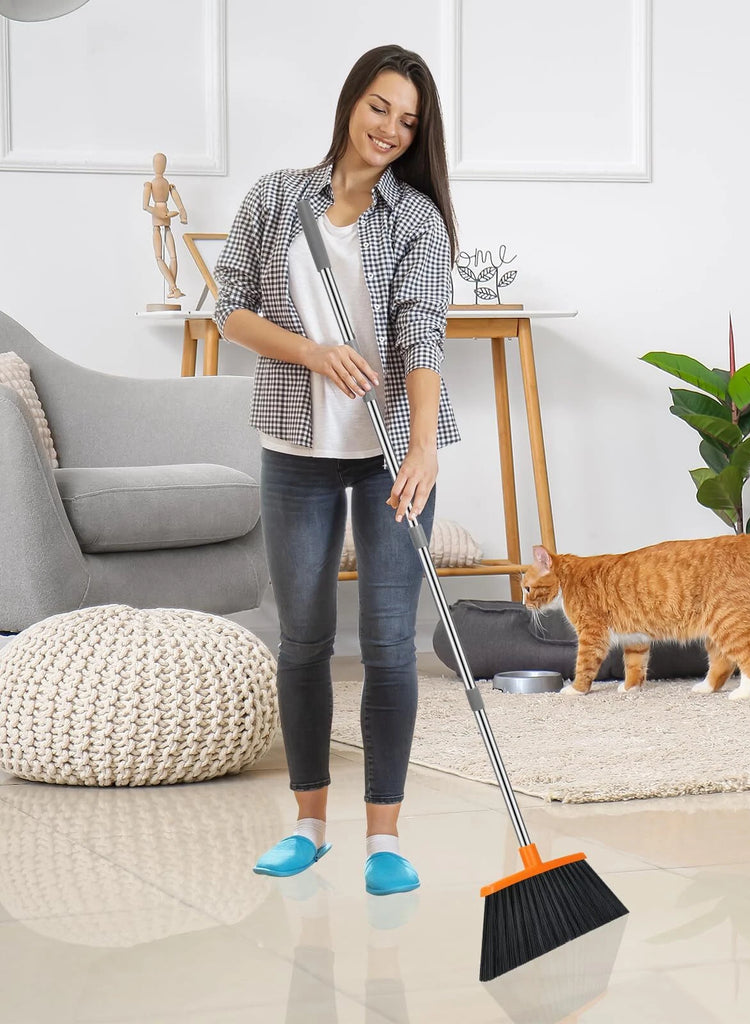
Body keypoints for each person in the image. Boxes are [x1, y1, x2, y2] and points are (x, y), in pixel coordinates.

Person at [214, 44, 459, 893]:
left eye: (409, 120)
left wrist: (423, 447)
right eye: (381, 107)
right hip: (296, 453)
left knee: (389, 644)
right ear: (353, 100)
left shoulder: (418, 221)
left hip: (390, 454)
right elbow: (230, 309)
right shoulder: (278, 196)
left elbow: (424, 338)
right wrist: (313, 354)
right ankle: (310, 826)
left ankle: (384, 840)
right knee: (306, 638)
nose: (391, 128)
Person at [142, 152, 188, 304]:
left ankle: (173, 289)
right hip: (163, 216)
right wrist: (165, 213)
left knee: (169, 256)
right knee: (163, 256)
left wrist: (181, 213)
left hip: (165, 217)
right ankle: (173, 288)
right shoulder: (153, 184)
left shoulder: (166, 185)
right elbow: (145, 206)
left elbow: (179, 203)